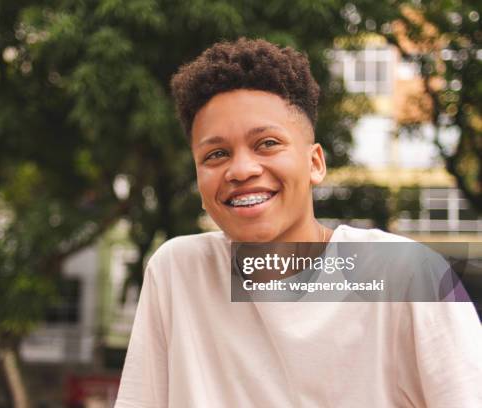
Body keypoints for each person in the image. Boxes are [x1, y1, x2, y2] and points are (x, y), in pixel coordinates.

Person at [114, 38, 481, 407]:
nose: (241, 170)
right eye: (216, 154)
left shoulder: (409, 276)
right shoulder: (178, 272)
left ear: (315, 163)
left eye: (267, 143)